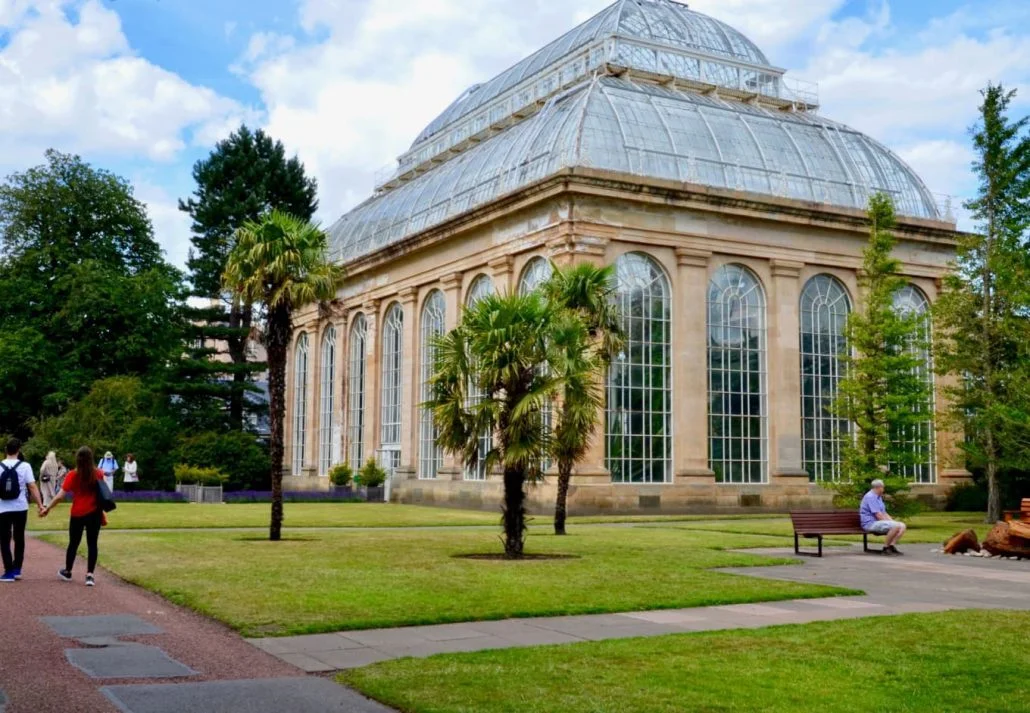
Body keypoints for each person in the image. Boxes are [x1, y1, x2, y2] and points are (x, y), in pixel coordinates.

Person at [41, 446, 104, 587]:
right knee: (92, 543)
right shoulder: (98, 473)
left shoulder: (73, 475)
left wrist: (48, 508)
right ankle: (90, 575)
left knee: (73, 543)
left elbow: (60, 496)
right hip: (94, 513)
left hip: (77, 513)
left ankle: (68, 571)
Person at [0, 437, 45, 582]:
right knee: (19, 538)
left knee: (4, 539)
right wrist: (40, 504)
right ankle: (17, 568)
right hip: (20, 506)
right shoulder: (25, 466)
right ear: (18, 450)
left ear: (6, 450)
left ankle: (8, 571)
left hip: (3, 507)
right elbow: (32, 486)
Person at [859, 479, 906, 555]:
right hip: (870, 524)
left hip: (877, 522)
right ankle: (885, 548)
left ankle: (891, 546)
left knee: (902, 526)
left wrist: (892, 521)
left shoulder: (878, 497)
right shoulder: (870, 497)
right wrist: (892, 524)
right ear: (878, 487)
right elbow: (878, 515)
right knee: (895, 526)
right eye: (883, 487)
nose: (883, 489)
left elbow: (884, 513)